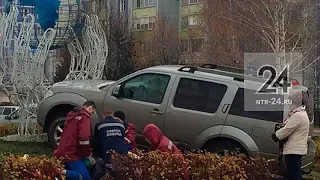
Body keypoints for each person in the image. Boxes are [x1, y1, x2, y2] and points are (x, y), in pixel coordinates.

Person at [54, 100, 96, 180]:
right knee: (85, 177)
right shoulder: (84, 117)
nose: (91, 114)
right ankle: (59, 171)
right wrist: (86, 154)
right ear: (90, 108)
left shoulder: (71, 116)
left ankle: (62, 173)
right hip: (71, 153)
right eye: (92, 112)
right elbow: (84, 138)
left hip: (62, 151)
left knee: (72, 174)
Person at [271, 93, 309, 180]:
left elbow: (287, 129)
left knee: (293, 175)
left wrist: (276, 136)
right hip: (297, 150)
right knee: (296, 173)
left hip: (294, 150)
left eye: (290, 103)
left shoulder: (298, 115)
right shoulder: (300, 113)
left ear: (294, 104)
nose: (288, 105)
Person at [92, 108, 129, 177]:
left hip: (108, 152)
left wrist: (97, 155)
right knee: (119, 173)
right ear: (112, 115)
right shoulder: (121, 125)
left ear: (103, 115)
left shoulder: (99, 125)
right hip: (122, 153)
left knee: (106, 170)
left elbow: (96, 142)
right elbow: (123, 139)